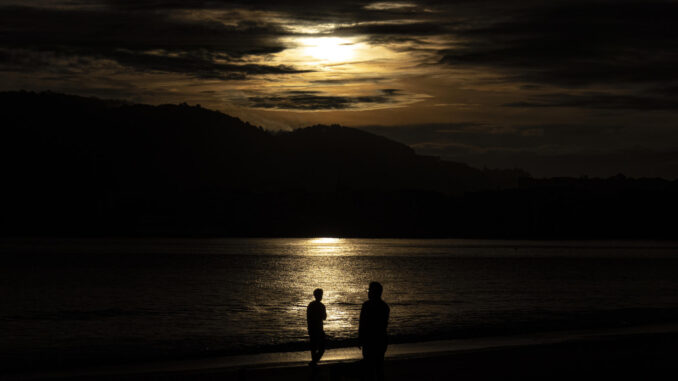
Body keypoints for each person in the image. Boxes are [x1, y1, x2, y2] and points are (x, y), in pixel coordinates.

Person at [359, 281, 389, 380]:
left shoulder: (366, 305)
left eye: (369, 291)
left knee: (369, 367)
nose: (368, 293)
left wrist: (360, 338)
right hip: (381, 340)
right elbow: (384, 325)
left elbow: (362, 323)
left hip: (369, 340)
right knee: (379, 366)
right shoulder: (385, 307)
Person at [307, 288, 327, 366]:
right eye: (320, 295)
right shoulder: (321, 306)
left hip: (313, 328)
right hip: (318, 328)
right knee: (320, 347)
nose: (321, 296)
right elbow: (324, 317)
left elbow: (308, 318)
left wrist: (309, 328)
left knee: (314, 347)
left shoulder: (311, 305)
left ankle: (314, 361)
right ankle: (314, 361)